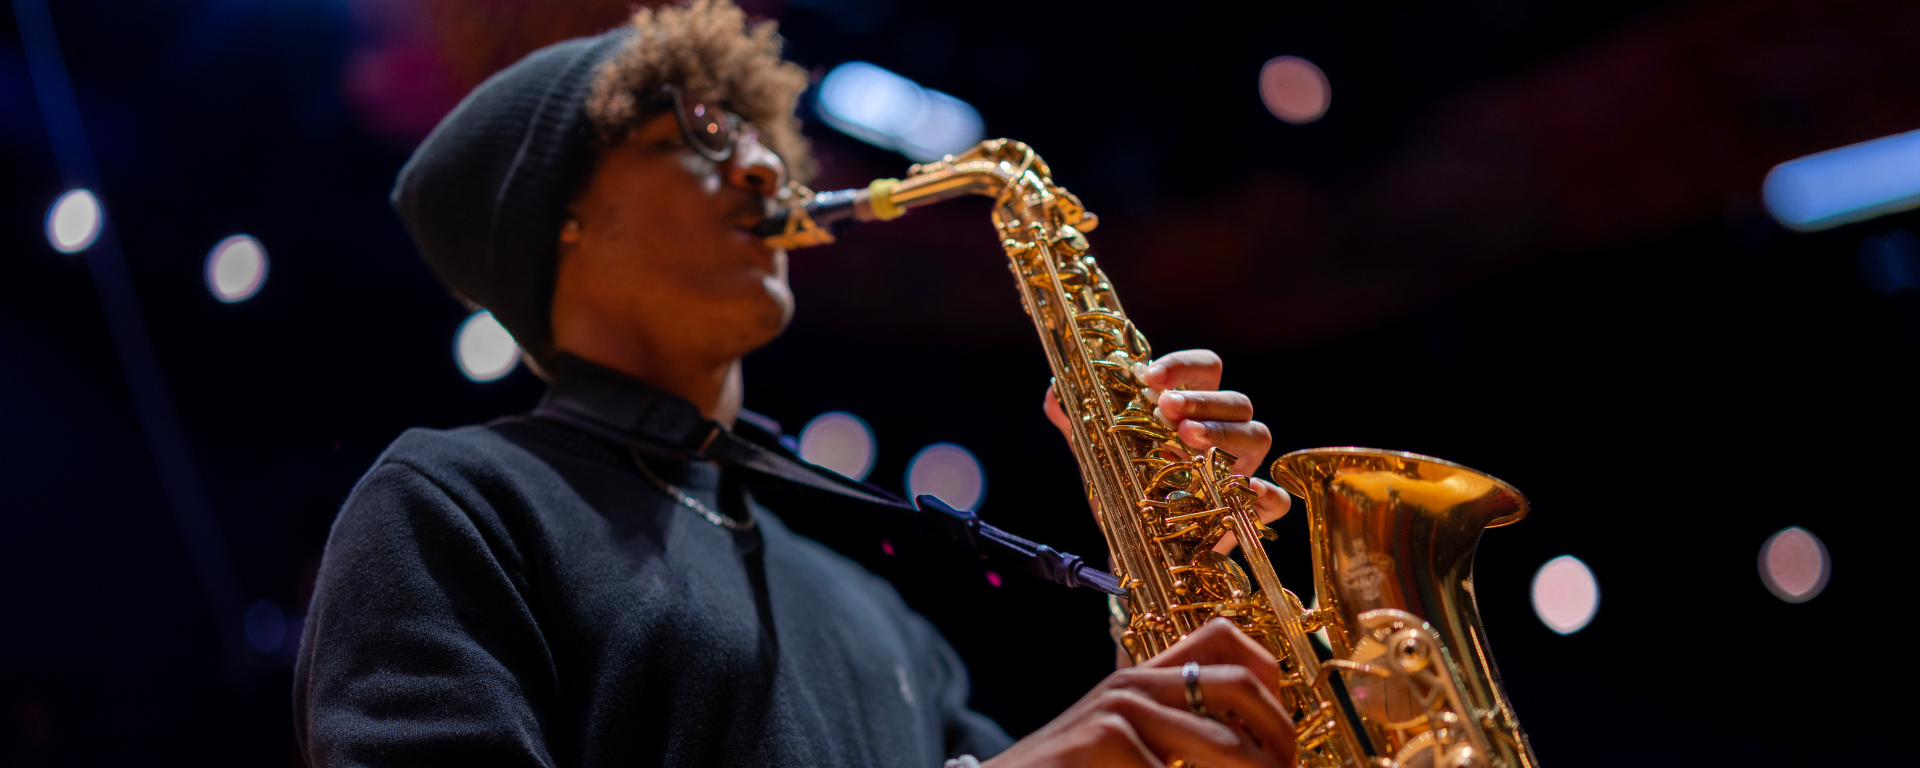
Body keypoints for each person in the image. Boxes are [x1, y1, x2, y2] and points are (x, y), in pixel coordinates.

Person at [293, 2, 1299, 766]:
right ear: (560, 215)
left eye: (759, 135)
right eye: (699, 138)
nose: (772, 171)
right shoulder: (453, 503)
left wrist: (1176, 668)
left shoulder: (875, 608)